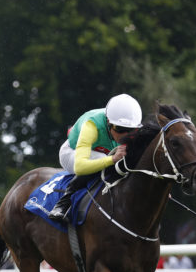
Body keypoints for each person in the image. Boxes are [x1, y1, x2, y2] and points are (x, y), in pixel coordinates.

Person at [48, 93, 143, 221]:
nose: (124, 135)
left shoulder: (127, 127)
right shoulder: (92, 125)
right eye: (120, 129)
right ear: (109, 122)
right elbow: (80, 167)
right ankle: (63, 204)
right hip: (71, 152)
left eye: (130, 130)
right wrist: (112, 159)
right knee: (103, 158)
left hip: (100, 153)